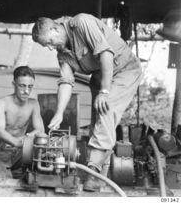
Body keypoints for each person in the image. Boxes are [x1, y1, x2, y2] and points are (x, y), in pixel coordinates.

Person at [32, 13, 142, 192]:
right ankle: (99, 173)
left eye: (50, 42)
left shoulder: (81, 23)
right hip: (100, 76)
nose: (51, 48)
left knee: (106, 109)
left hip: (124, 69)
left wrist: (105, 91)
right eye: (47, 46)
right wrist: (59, 113)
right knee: (97, 123)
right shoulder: (62, 54)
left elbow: (106, 54)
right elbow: (66, 83)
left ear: (54, 28)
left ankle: (94, 172)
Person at [0, 66, 44, 178]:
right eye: (22, 86)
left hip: (19, 151)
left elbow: (40, 130)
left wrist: (28, 137)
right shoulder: (2, 103)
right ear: (13, 84)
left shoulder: (34, 104)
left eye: (30, 87)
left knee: (43, 144)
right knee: (0, 184)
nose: (26, 91)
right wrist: (18, 142)